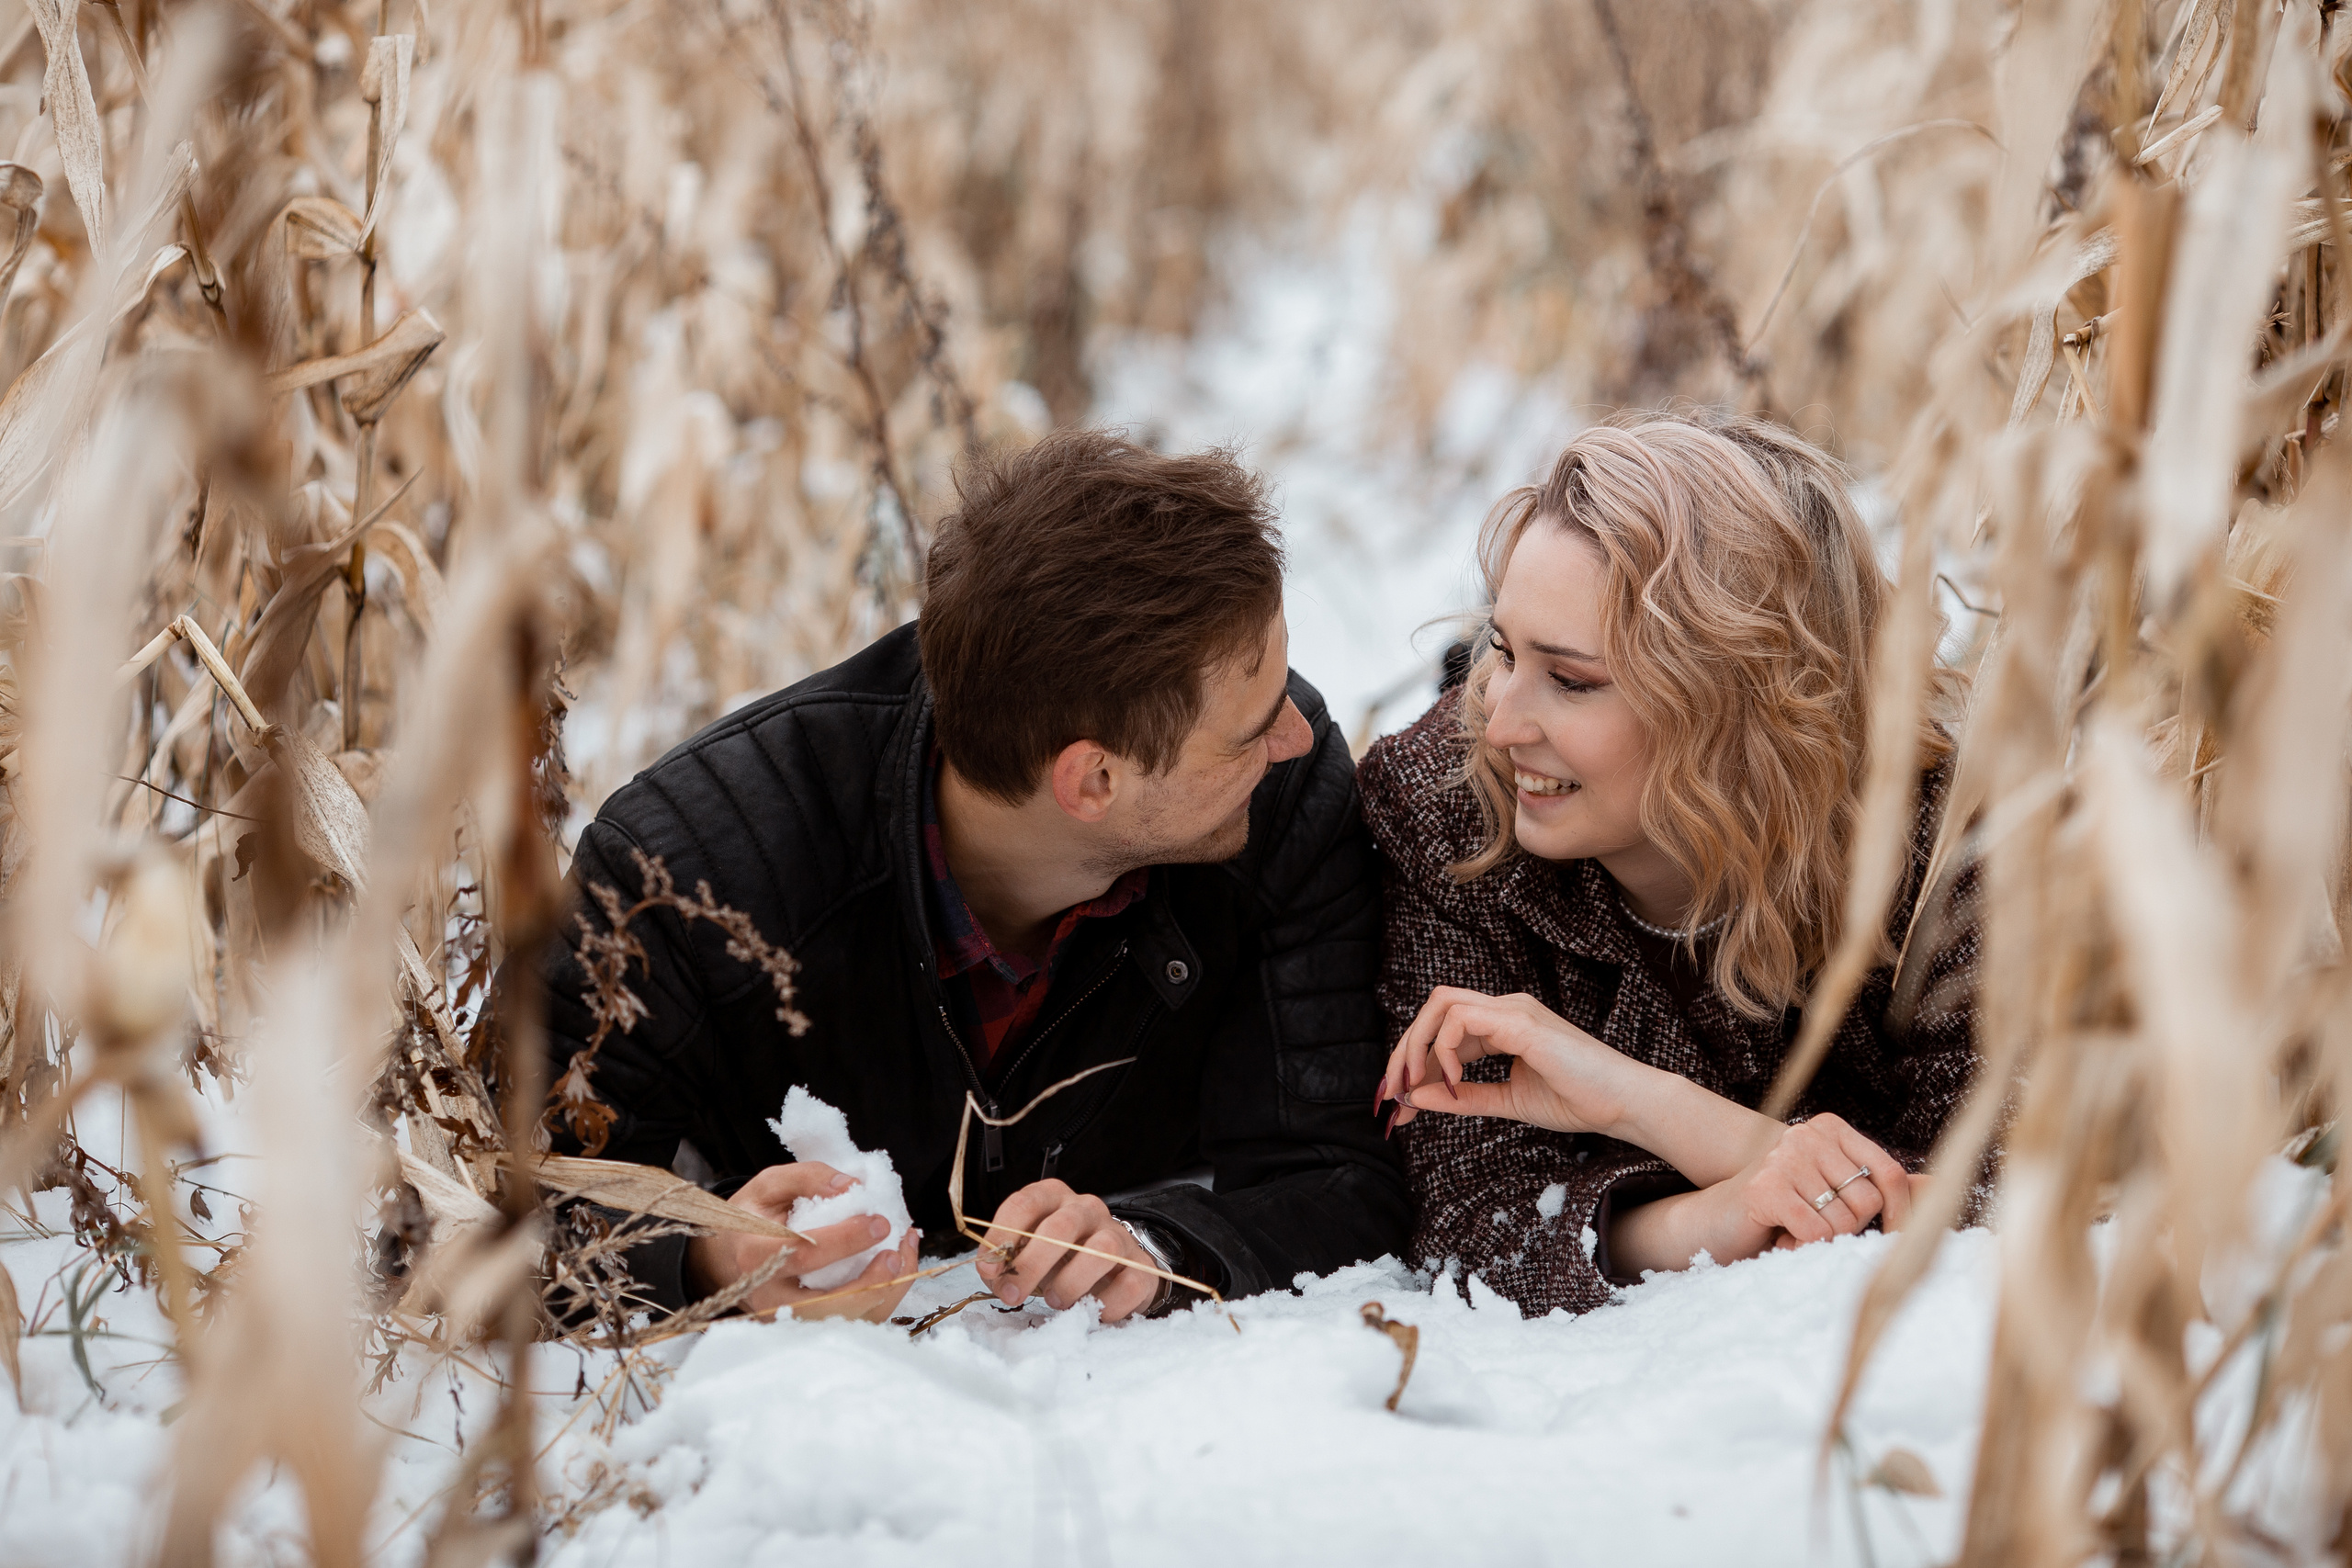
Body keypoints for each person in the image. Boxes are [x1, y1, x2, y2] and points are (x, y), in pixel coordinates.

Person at [536, 427, 1408, 1325]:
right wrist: (704, 1258)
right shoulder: (686, 871)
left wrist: (1156, 1245)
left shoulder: (1283, 802)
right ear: (1092, 781)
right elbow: (514, 1204)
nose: (1295, 734)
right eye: (1252, 728)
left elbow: (1341, 1172)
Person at [1361, 412, 1983, 1317]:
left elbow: (2004, 1192)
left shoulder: (1943, 838)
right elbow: (1474, 1227)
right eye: (1502, 650)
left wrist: (1640, 1103)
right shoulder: (1445, 808)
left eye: (1571, 680)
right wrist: (1727, 1211)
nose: (1499, 723)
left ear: (1739, 702)